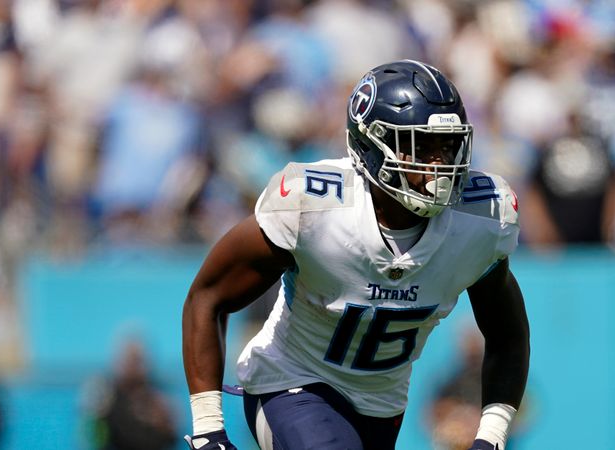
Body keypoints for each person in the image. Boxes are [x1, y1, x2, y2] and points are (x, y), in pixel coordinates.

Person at [182, 60, 530, 450]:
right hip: (290, 381)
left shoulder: (480, 219)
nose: (440, 165)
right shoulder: (314, 206)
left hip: (382, 407)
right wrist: (207, 428)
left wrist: (492, 436)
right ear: (371, 145)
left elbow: (507, 336)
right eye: (422, 146)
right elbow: (208, 296)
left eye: (447, 147)